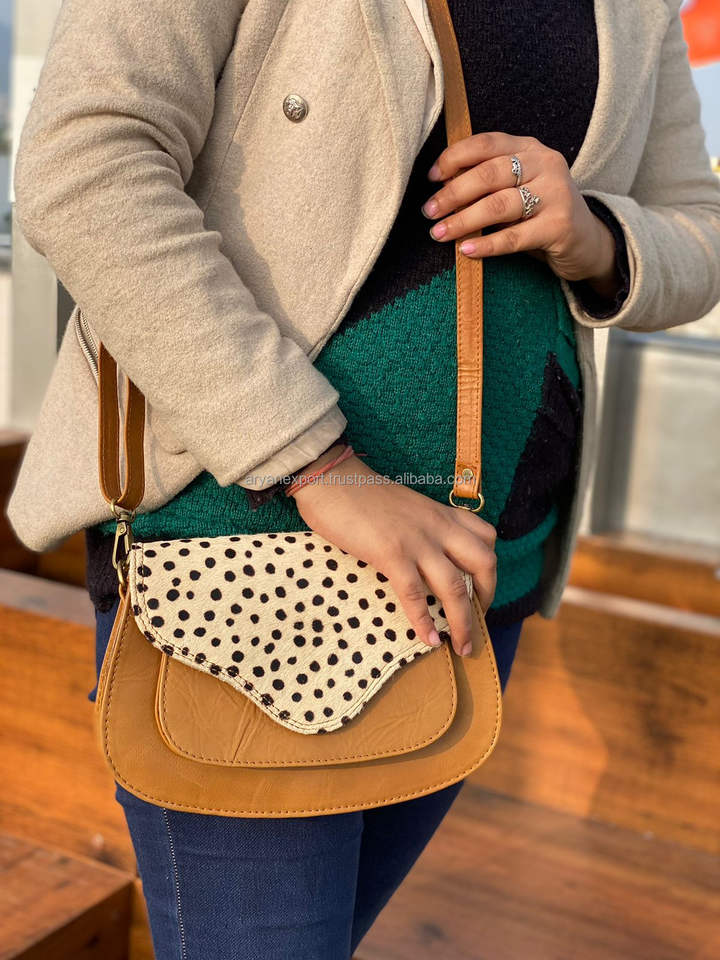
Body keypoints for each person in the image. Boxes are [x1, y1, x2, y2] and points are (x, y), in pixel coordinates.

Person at [8, 1, 720, 957]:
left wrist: (593, 233)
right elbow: (84, 164)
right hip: (245, 558)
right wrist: (316, 461)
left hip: (478, 569)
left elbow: (699, 226)